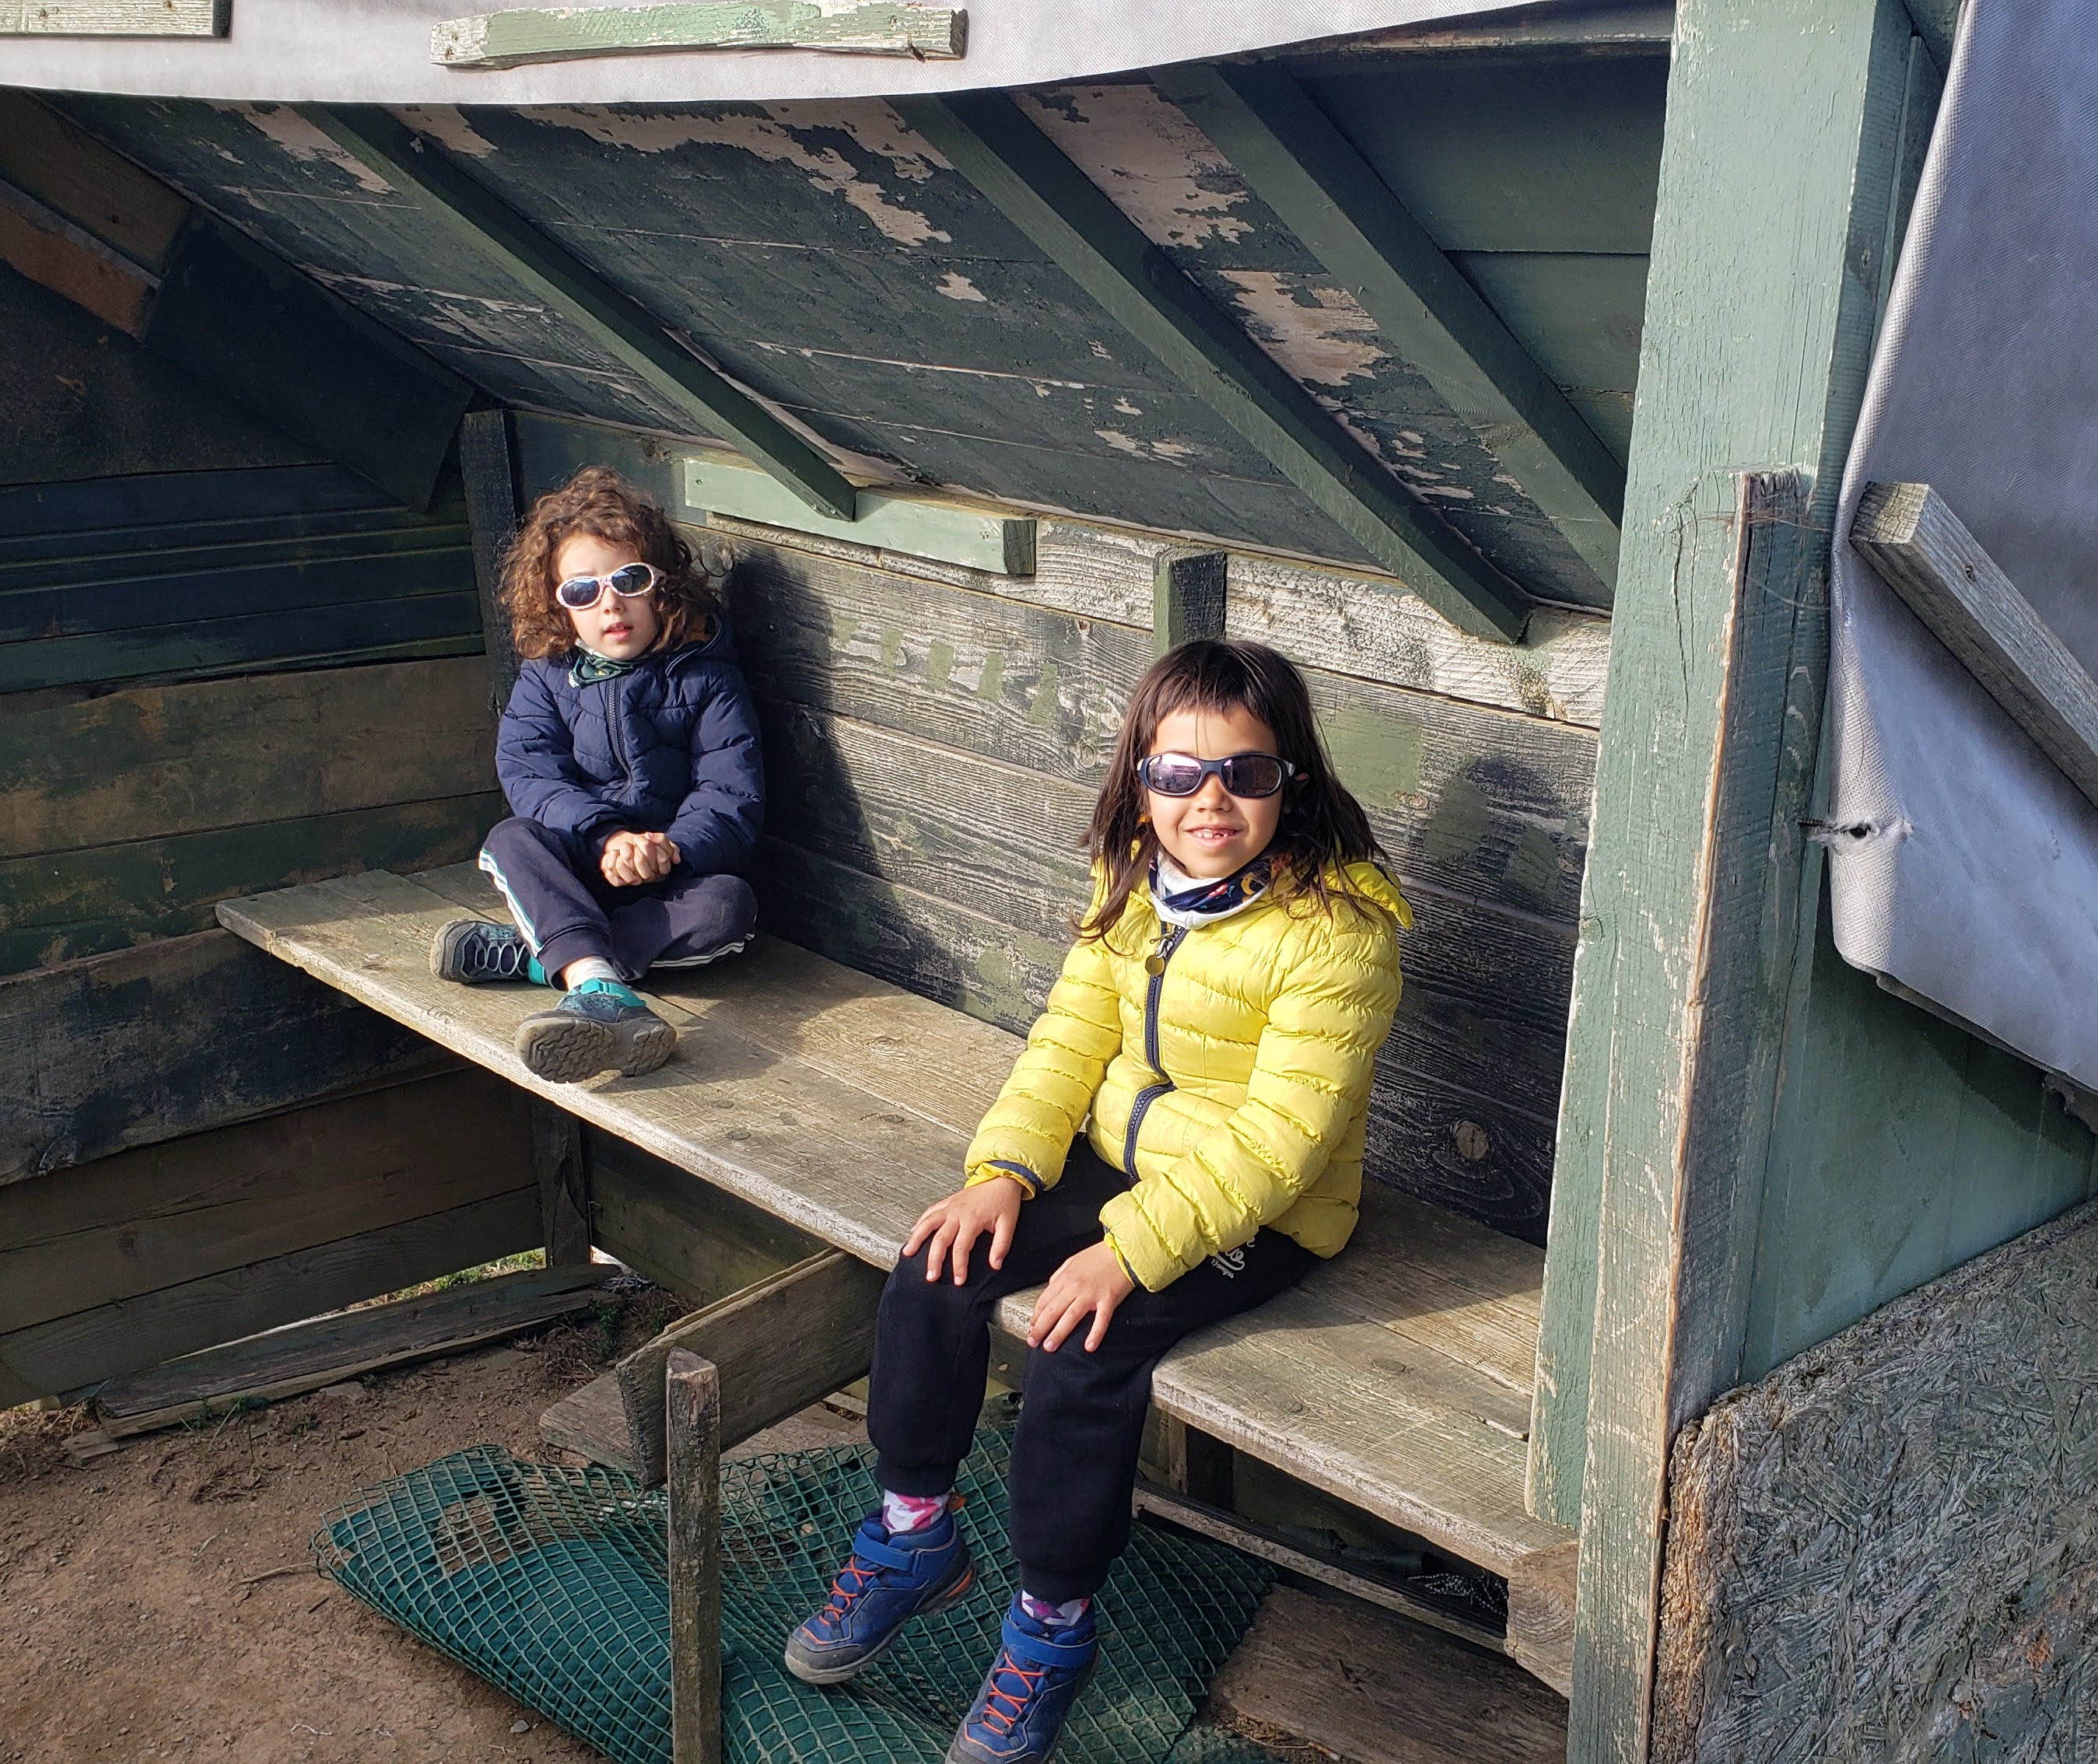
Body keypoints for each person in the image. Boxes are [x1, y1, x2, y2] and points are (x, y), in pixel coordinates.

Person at [784, 639, 1408, 1764]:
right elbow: (1068, 1043)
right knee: (938, 1260)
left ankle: (1050, 1627)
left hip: (1265, 1210)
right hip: (1125, 1160)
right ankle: (914, 1534)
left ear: (1293, 781)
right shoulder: (1131, 881)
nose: (1209, 801)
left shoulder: (1335, 930)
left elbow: (1283, 1142)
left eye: (1246, 773)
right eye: (1179, 773)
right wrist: (1005, 1175)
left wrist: (1124, 1253)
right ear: (1140, 777)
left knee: (1082, 1343)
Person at [431, 466, 762, 1082]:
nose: (610, 603)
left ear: (663, 586)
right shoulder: (547, 675)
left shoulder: (708, 678)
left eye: (629, 580)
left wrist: (666, 849)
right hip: (578, 864)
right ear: (557, 605)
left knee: (728, 909)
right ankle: (603, 990)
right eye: (582, 591)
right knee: (511, 839)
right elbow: (529, 772)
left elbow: (730, 794)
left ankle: (555, 962)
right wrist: (604, 837)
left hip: (666, 879)